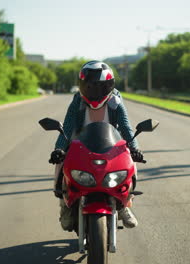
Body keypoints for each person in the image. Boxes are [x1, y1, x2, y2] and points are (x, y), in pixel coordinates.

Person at [49, 60, 145, 231]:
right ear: (82, 85)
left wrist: (135, 148)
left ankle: (125, 205)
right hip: (80, 145)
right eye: (89, 86)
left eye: (99, 87)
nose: (93, 91)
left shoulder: (115, 101)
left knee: (131, 162)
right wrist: (59, 149)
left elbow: (126, 128)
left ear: (109, 85)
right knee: (60, 163)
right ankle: (64, 206)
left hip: (111, 145)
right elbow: (68, 126)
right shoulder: (77, 101)